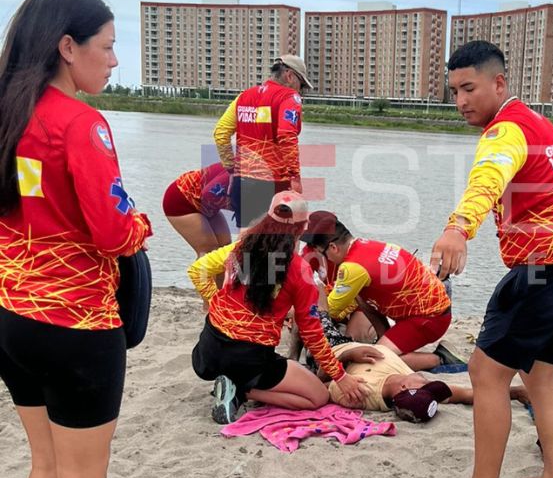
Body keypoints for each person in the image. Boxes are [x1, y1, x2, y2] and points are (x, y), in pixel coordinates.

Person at [0, 0, 152, 478]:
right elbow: (113, 234)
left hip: (12, 318)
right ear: (69, 46)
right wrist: (140, 223)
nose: (114, 61)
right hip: (76, 325)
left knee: (45, 465)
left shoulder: (10, 116)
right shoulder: (80, 124)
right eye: (108, 47)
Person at [426, 40, 553, 478]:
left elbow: (487, 176)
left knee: (487, 374)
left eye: (469, 88)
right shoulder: (537, 123)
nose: (461, 100)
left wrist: (457, 228)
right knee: (543, 375)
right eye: (454, 91)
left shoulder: (505, 131)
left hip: (547, 272)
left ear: (498, 83)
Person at [188, 191, 368, 424]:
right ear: (302, 229)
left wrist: (215, 305)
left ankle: (232, 381)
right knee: (318, 397)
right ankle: (242, 389)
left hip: (209, 348)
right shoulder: (300, 271)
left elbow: (198, 270)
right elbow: (312, 333)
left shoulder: (240, 247)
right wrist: (341, 377)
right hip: (250, 359)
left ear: (267, 217)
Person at [302, 211, 459, 371]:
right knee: (362, 296)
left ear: (333, 248)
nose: (325, 259)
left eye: (323, 254)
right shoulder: (367, 244)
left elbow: (331, 311)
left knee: (371, 361)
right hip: (429, 307)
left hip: (428, 319)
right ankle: (385, 338)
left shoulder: (352, 268)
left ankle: (440, 359)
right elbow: (366, 303)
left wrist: (318, 293)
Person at [213, 55, 311, 228]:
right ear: (289, 76)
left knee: (245, 246)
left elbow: (221, 134)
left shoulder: (244, 97)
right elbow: (287, 136)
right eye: (301, 84)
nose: (300, 91)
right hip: (273, 184)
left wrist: (231, 170)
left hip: (242, 184)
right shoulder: (289, 97)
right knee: (276, 247)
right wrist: (295, 177)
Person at [326, 342, 529, 419]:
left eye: (424, 385)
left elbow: (322, 378)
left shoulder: (361, 391)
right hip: (381, 351)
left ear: (404, 388)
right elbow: (467, 395)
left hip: (335, 348)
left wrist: (349, 354)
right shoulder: (414, 391)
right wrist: (516, 392)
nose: (427, 382)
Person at [162, 162, 232, 258]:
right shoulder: (241, 171)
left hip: (209, 206)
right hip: (182, 198)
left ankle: (222, 273)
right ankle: (202, 273)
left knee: (225, 247)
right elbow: (208, 193)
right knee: (208, 251)